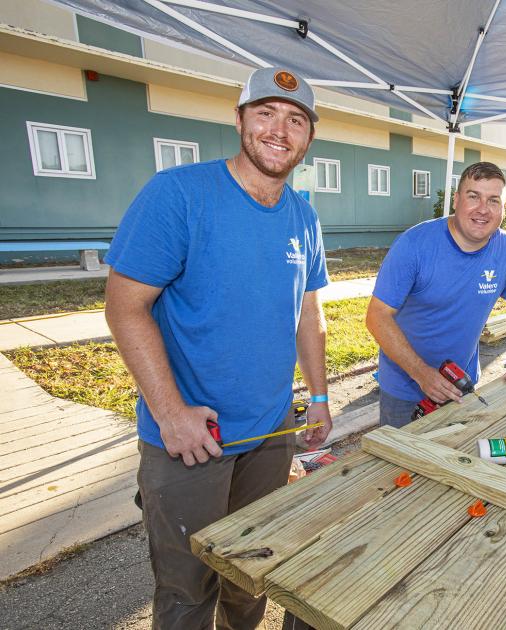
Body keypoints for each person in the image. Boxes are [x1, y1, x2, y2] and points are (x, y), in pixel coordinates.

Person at [104, 67, 331, 629]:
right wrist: (170, 414)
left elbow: (308, 313)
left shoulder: (303, 215)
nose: (280, 130)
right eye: (265, 113)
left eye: (295, 119)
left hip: (269, 435)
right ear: (239, 120)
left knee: (248, 577)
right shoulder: (179, 194)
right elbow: (124, 306)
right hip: (189, 442)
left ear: (309, 137)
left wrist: (320, 397)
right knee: (187, 591)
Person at [366, 162, 506, 427]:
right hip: (406, 391)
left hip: (462, 384)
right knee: (401, 468)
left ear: (504, 209)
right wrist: (421, 373)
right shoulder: (415, 244)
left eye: (494, 200)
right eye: (474, 196)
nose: (483, 209)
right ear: (456, 200)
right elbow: (377, 317)